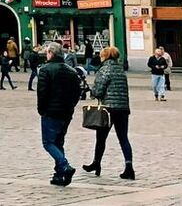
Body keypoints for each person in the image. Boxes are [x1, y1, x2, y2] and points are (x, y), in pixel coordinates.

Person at [35, 43, 83, 186]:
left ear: (50, 53)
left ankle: (64, 166)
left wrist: (41, 109)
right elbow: (77, 92)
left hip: (51, 111)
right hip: (66, 112)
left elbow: (42, 92)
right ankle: (59, 174)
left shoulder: (45, 70)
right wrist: (71, 106)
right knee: (58, 142)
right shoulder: (71, 71)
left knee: (48, 143)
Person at [84, 46, 135, 180]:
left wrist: (92, 91)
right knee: (123, 138)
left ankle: (97, 163)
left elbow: (99, 91)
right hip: (123, 108)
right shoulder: (120, 70)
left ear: (105, 56)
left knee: (101, 138)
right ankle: (129, 166)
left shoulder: (104, 69)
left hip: (108, 108)